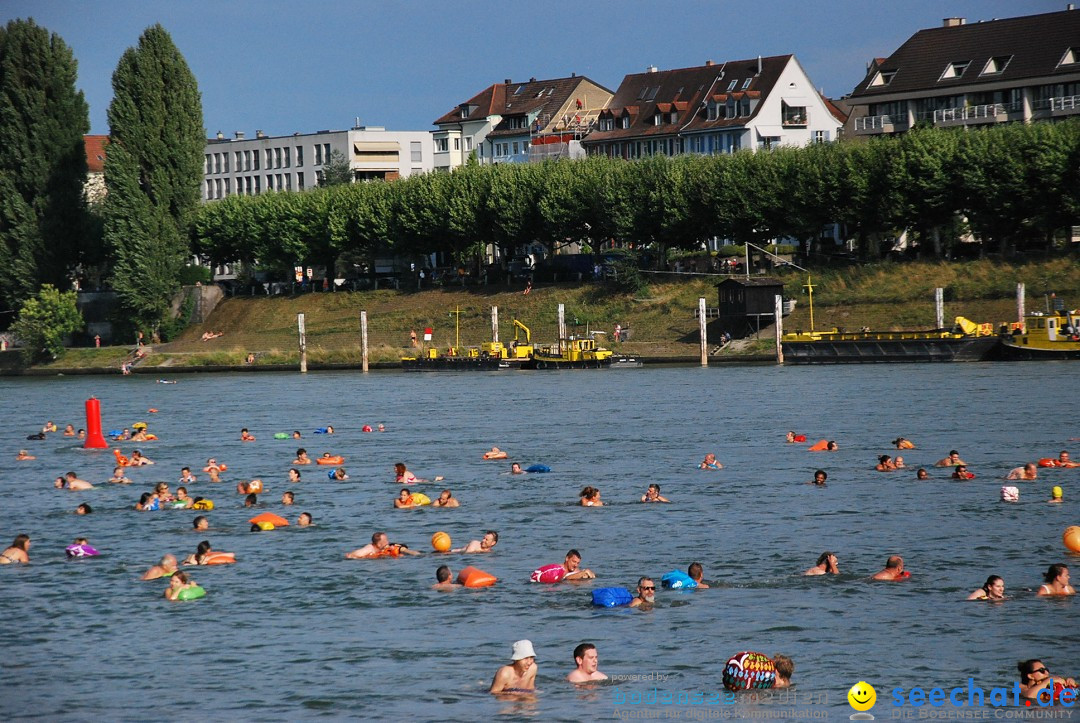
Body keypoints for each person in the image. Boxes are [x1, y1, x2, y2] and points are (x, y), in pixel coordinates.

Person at [346, 531, 419, 559]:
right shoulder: (369, 549)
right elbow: (350, 556)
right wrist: (370, 556)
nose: (388, 542)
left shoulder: (382, 548)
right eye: (385, 541)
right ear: (379, 543)